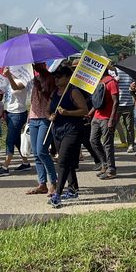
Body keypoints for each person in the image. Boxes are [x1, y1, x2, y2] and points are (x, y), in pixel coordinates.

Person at [47, 66, 88, 208]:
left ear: (68, 77)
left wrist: (67, 112)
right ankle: (73, 189)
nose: (56, 79)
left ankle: (57, 194)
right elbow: (48, 110)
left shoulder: (73, 92)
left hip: (73, 130)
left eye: (59, 76)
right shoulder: (55, 93)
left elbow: (84, 110)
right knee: (68, 161)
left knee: (62, 161)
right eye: (55, 76)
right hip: (57, 131)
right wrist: (50, 116)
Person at [25, 63, 58, 193]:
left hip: (45, 117)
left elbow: (52, 98)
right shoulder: (34, 78)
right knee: (36, 153)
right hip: (33, 117)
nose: (34, 65)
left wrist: (41, 89)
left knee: (42, 150)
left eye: (37, 62)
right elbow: (33, 100)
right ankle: (42, 183)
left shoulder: (50, 78)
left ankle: (54, 183)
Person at [89, 69, 119, 180]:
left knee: (107, 144)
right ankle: (105, 164)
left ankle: (111, 169)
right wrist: (90, 114)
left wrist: (111, 119)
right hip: (97, 116)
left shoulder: (112, 82)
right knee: (93, 140)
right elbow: (97, 101)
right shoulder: (98, 82)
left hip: (107, 118)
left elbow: (116, 101)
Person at [114, 53, 135, 153]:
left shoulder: (131, 72)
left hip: (128, 103)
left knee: (129, 126)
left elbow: (135, 84)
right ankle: (110, 143)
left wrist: (134, 87)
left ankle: (131, 144)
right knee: (112, 125)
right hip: (116, 103)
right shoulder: (114, 71)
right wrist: (114, 81)